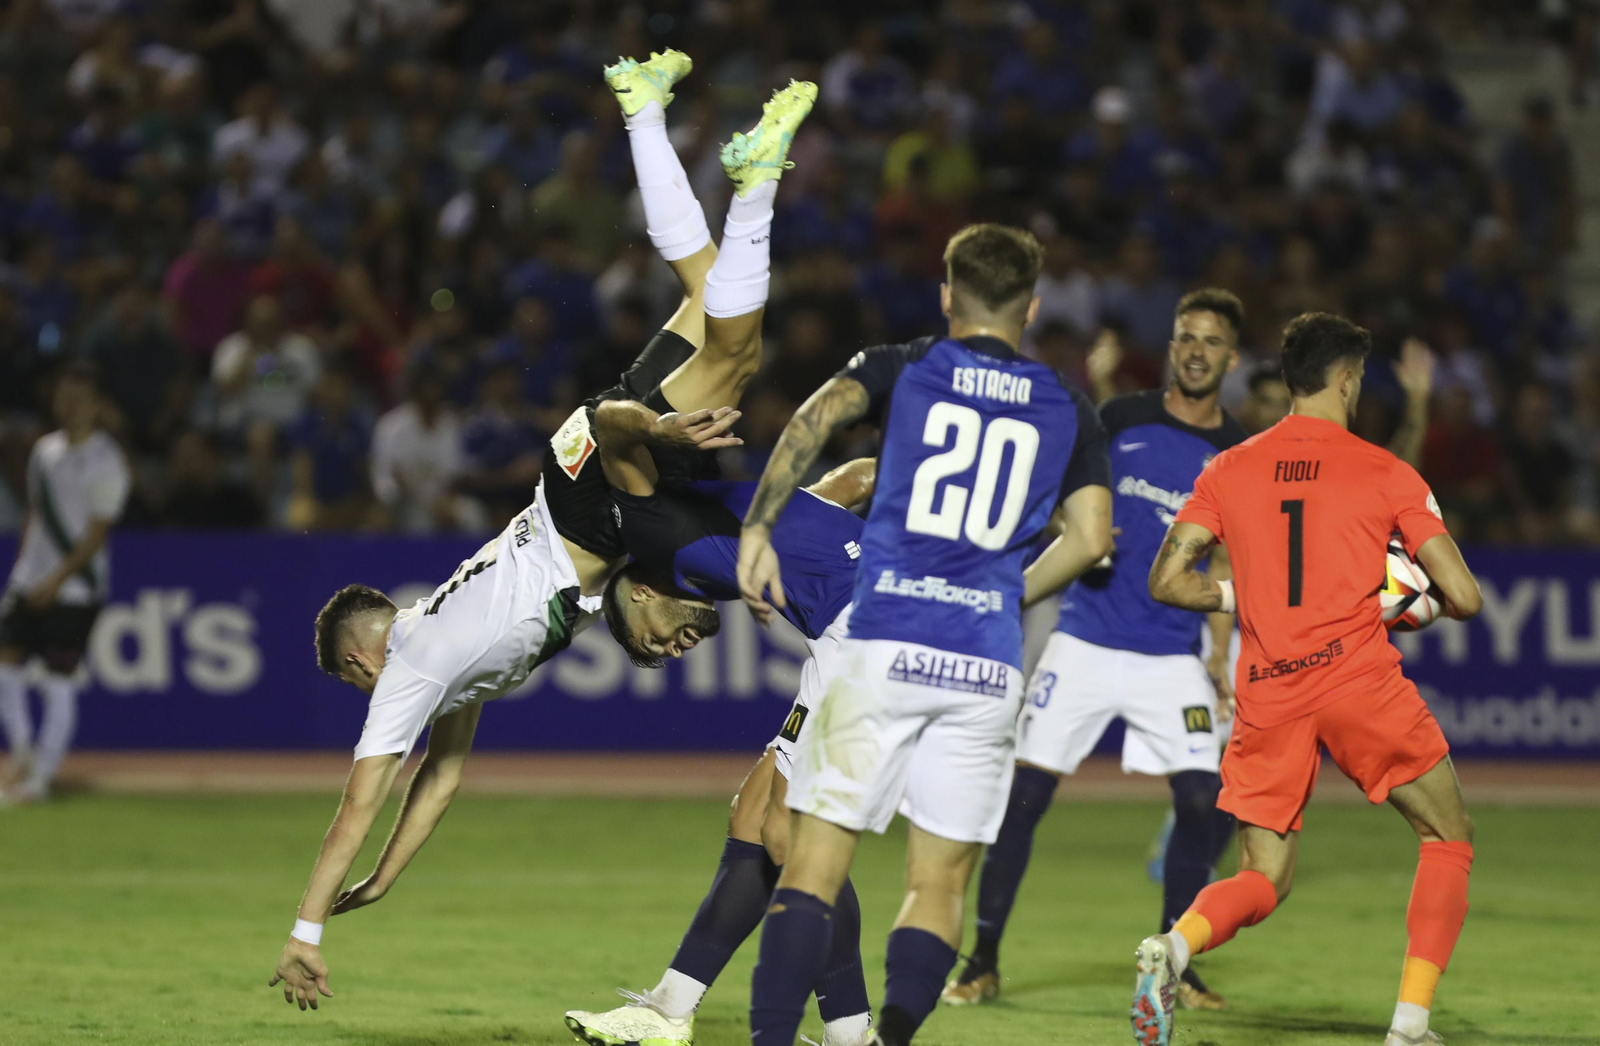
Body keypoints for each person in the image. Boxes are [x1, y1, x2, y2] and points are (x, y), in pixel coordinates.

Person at [268, 52, 818, 1012]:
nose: (370, 699)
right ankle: (648, 114)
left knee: (730, 347)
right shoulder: (449, 658)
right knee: (710, 304)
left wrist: (304, 928)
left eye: (358, 684)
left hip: (588, 492)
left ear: (361, 663)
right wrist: (390, 881)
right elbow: (437, 784)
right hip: (568, 488)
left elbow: (365, 798)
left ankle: (752, 178)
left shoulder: (414, 665)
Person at [735, 224, 1114, 1046]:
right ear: (1033, 307)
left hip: (884, 645)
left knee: (812, 868)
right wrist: (1009, 595)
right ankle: (894, 1038)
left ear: (947, 294)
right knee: (937, 882)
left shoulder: (902, 367)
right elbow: (1090, 539)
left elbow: (815, 418)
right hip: (982, 665)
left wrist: (760, 528)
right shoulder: (1068, 408)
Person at [1130, 312, 1482, 1046]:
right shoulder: (1388, 472)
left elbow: (1168, 579)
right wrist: (1403, 599)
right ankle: (1410, 1024)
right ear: (1348, 379)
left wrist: (1242, 595)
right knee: (1446, 835)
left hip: (1270, 692)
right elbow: (1467, 597)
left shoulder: (1227, 469)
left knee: (1264, 876)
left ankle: (1176, 946)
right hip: (1360, 685)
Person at [943, 289, 1249, 1013]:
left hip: (1172, 653)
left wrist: (1217, 653)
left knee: (1203, 800)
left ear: (1231, 359)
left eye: (1211, 341)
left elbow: (1230, 565)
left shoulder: (1238, 455)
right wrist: (1075, 531)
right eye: (1185, 337)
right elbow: (1055, 494)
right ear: (1173, 346)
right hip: (1084, 638)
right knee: (1021, 801)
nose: (1196, 350)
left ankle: (1174, 962)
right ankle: (982, 961)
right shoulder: (1120, 418)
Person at [564, 400, 877, 1046]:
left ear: (643, 592)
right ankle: (669, 1009)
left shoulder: (657, 537)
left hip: (868, 633)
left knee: (790, 837)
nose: (673, 651)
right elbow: (854, 481)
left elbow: (609, 438)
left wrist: (651, 427)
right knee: (753, 817)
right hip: (848, 638)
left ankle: (853, 1035)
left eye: (651, 643)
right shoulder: (737, 526)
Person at [0, 363, 130, 801]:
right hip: (30, 579)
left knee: (59, 677)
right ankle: (21, 752)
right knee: (4, 664)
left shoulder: (107, 461)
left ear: (95, 406)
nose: (71, 407)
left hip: (77, 588)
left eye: (80, 399)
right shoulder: (43, 452)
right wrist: (24, 572)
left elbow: (97, 534)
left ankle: (42, 776)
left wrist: (55, 580)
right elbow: (35, 517)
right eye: (64, 398)